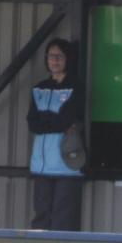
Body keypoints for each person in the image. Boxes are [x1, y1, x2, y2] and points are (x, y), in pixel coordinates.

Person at [28, 38, 84, 231]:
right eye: (51, 56)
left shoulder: (76, 87)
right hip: (41, 166)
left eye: (59, 56)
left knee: (63, 220)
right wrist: (54, 120)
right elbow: (33, 123)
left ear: (68, 59)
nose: (55, 60)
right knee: (41, 218)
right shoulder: (39, 88)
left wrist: (46, 118)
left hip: (66, 165)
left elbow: (66, 119)